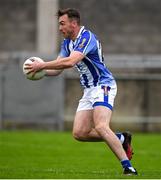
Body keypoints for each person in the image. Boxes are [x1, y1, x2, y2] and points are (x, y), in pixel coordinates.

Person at [25, 8, 137, 175]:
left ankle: (128, 167)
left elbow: (70, 62)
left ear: (74, 23)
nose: (60, 28)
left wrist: (41, 65)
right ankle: (122, 138)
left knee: (100, 126)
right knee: (79, 133)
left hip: (103, 85)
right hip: (88, 90)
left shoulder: (86, 37)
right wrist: (39, 73)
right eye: (59, 24)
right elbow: (57, 68)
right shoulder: (66, 43)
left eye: (62, 24)